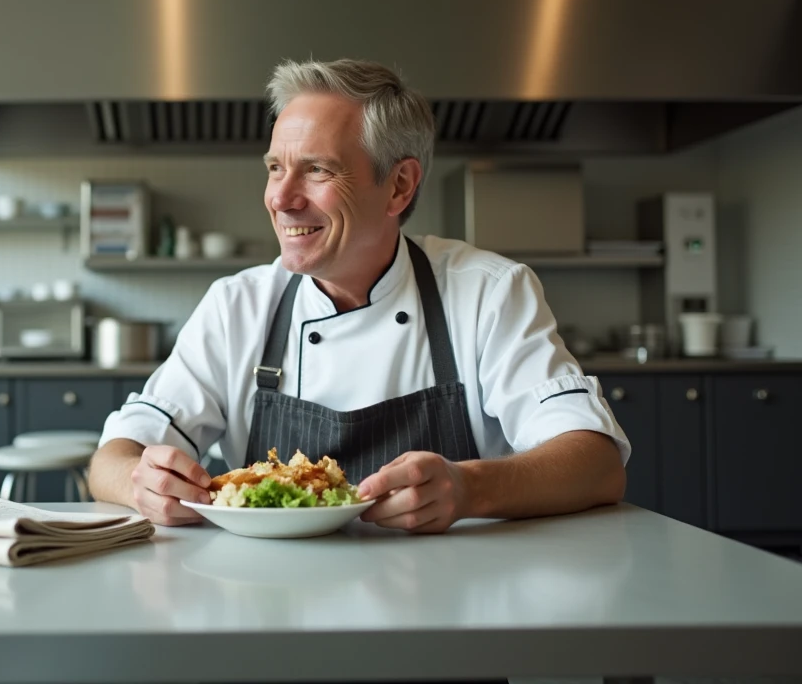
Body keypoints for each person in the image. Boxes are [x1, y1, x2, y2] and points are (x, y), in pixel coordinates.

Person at [88, 58, 629, 532]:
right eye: (275, 168)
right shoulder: (238, 306)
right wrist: (143, 483)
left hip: (450, 603)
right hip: (267, 602)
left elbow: (596, 462)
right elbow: (112, 458)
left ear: (399, 186)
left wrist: (470, 489)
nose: (280, 197)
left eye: (317, 170)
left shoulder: (488, 293)